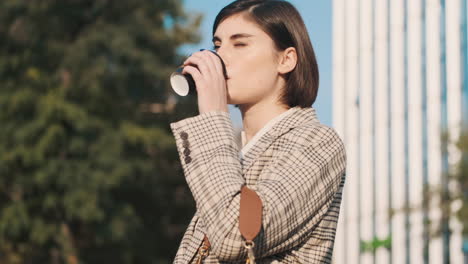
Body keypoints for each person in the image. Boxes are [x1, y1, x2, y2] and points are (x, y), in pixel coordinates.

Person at [169, 0, 347, 263]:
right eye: (218, 45)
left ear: (286, 60)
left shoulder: (317, 142)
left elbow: (235, 236)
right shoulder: (233, 157)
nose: (220, 57)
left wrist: (212, 116)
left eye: (239, 44)